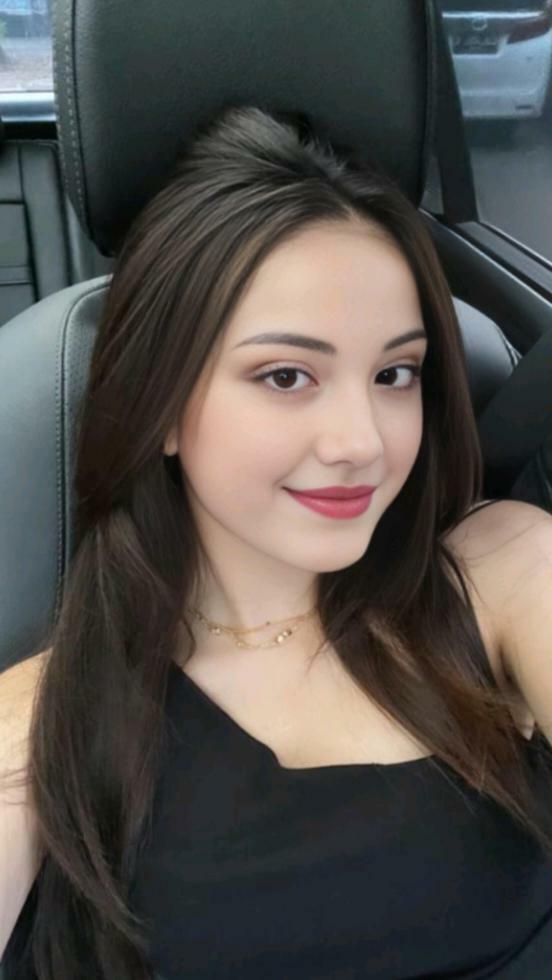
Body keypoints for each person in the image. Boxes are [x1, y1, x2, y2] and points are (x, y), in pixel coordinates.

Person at [2, 103, 552, 979]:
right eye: (287, 375)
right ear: (160, 405)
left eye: (395, 373)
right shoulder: (45, 718)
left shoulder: (502, 568)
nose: (362, 442)